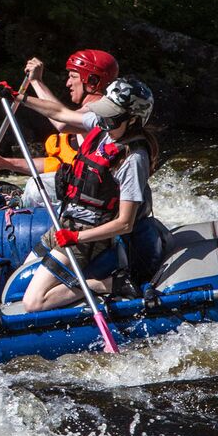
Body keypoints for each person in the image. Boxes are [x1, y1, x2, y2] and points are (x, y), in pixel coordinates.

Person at [19, 76, 157, 313]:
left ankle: (109, 283)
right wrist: (19, 98)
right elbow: (60, 113)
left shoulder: (133, 159)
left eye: (110, 115)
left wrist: (77, 238)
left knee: (33, 302)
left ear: (132, 119)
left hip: (90, 237)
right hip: (66, 222)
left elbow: (125, 223)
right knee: (21, 273)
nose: (103, 118)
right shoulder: (105, 126)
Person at [0, 49, 120, 177]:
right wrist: (6, 163)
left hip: (99, 195)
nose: (68, 83)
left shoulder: (102, 113)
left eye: (73, 77)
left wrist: (19, 94)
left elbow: (61, 120)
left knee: (33, 190)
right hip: (84, 189)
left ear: (93, 81)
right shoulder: (84, 116)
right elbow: (55, 164)